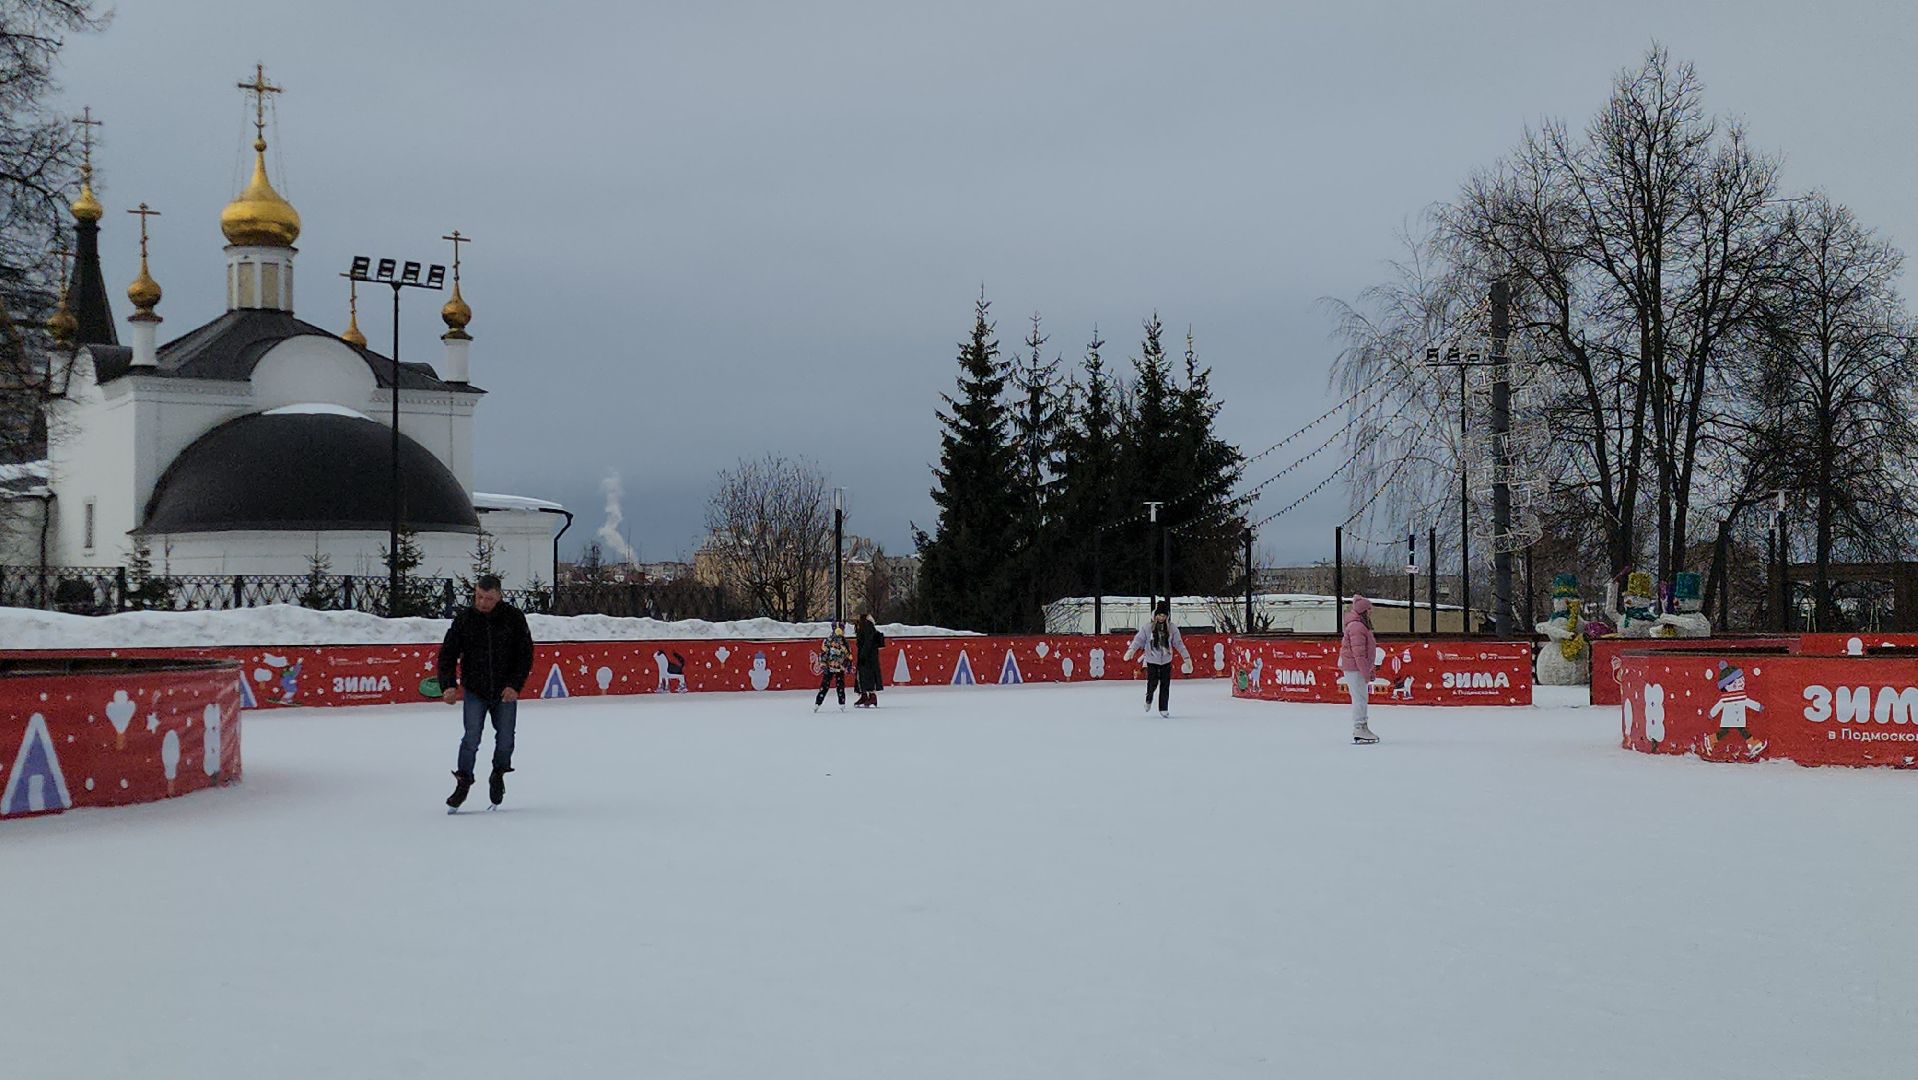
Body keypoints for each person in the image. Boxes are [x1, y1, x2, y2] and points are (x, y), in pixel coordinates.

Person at [438, 574, 535, 810]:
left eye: (488, 598)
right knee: (471, 737)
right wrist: (448, 684)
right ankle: (463, 781)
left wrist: (514, 685)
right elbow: (447, 654)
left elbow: (525, 655)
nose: (482, 603)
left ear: (499, 596)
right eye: (479, 597)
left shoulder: (513, 618)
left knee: (506, 739)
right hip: (475, 689)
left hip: (505, 691)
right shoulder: (465, 619)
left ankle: (498, 773)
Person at [1123, 600, 1191, 717]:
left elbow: (1179, 644)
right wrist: (1131, 650)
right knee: (1152, 683)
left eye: (1164, 616)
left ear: (1167, 616)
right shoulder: (1147, 627)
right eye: (1159, 615)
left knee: (1165, 685)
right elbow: (1138, 640)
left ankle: (1163, 708)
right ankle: (1148, 699)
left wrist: (1186, 658)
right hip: (1151, 660)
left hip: (1166, 660)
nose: (1161, 618)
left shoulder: (1172, 628)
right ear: (1155, 615)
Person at [1340, 595, 1380, 745]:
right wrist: (1366, 672)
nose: (1371, 612)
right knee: (1360, 699)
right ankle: (1359, 727)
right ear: (1364, 611)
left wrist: (1369, 669)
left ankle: (1363, 726)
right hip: (1355, 668)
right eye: (1369, 609)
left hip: (1357, 668)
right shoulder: (1357, 627)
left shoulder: (1360, 626)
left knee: (1361, 698)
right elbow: (1359, 654)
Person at [814, 624, 851, 712]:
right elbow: (824, 653)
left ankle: (840, 703)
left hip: (838, 667)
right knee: (831, 685)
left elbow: (848, 655)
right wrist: (824, 664)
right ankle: (819, 702)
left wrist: (847, 664)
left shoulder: (841, 642)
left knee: (834, 685)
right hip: (831, 666)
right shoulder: (830, 641)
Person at [854, 613, 887, 707]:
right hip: (866, 654)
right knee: (861, 675)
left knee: (868, 675)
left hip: (868, 656)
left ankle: (872, 696)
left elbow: (868, 641)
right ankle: (864, 695)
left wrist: (863, 654)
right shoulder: (861, 625)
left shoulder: (867, 626)